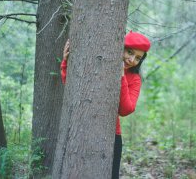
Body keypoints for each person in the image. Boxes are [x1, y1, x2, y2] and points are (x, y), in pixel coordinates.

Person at [60, 31, 151, 179]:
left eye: (138, 58)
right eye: (129, 52)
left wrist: (121, 77)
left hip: (111, 134)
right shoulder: (101, 64)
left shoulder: (134, 79)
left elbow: (126, 110)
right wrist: (66, 62)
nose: (132, 59)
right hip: (81, 128)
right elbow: (73, 90)